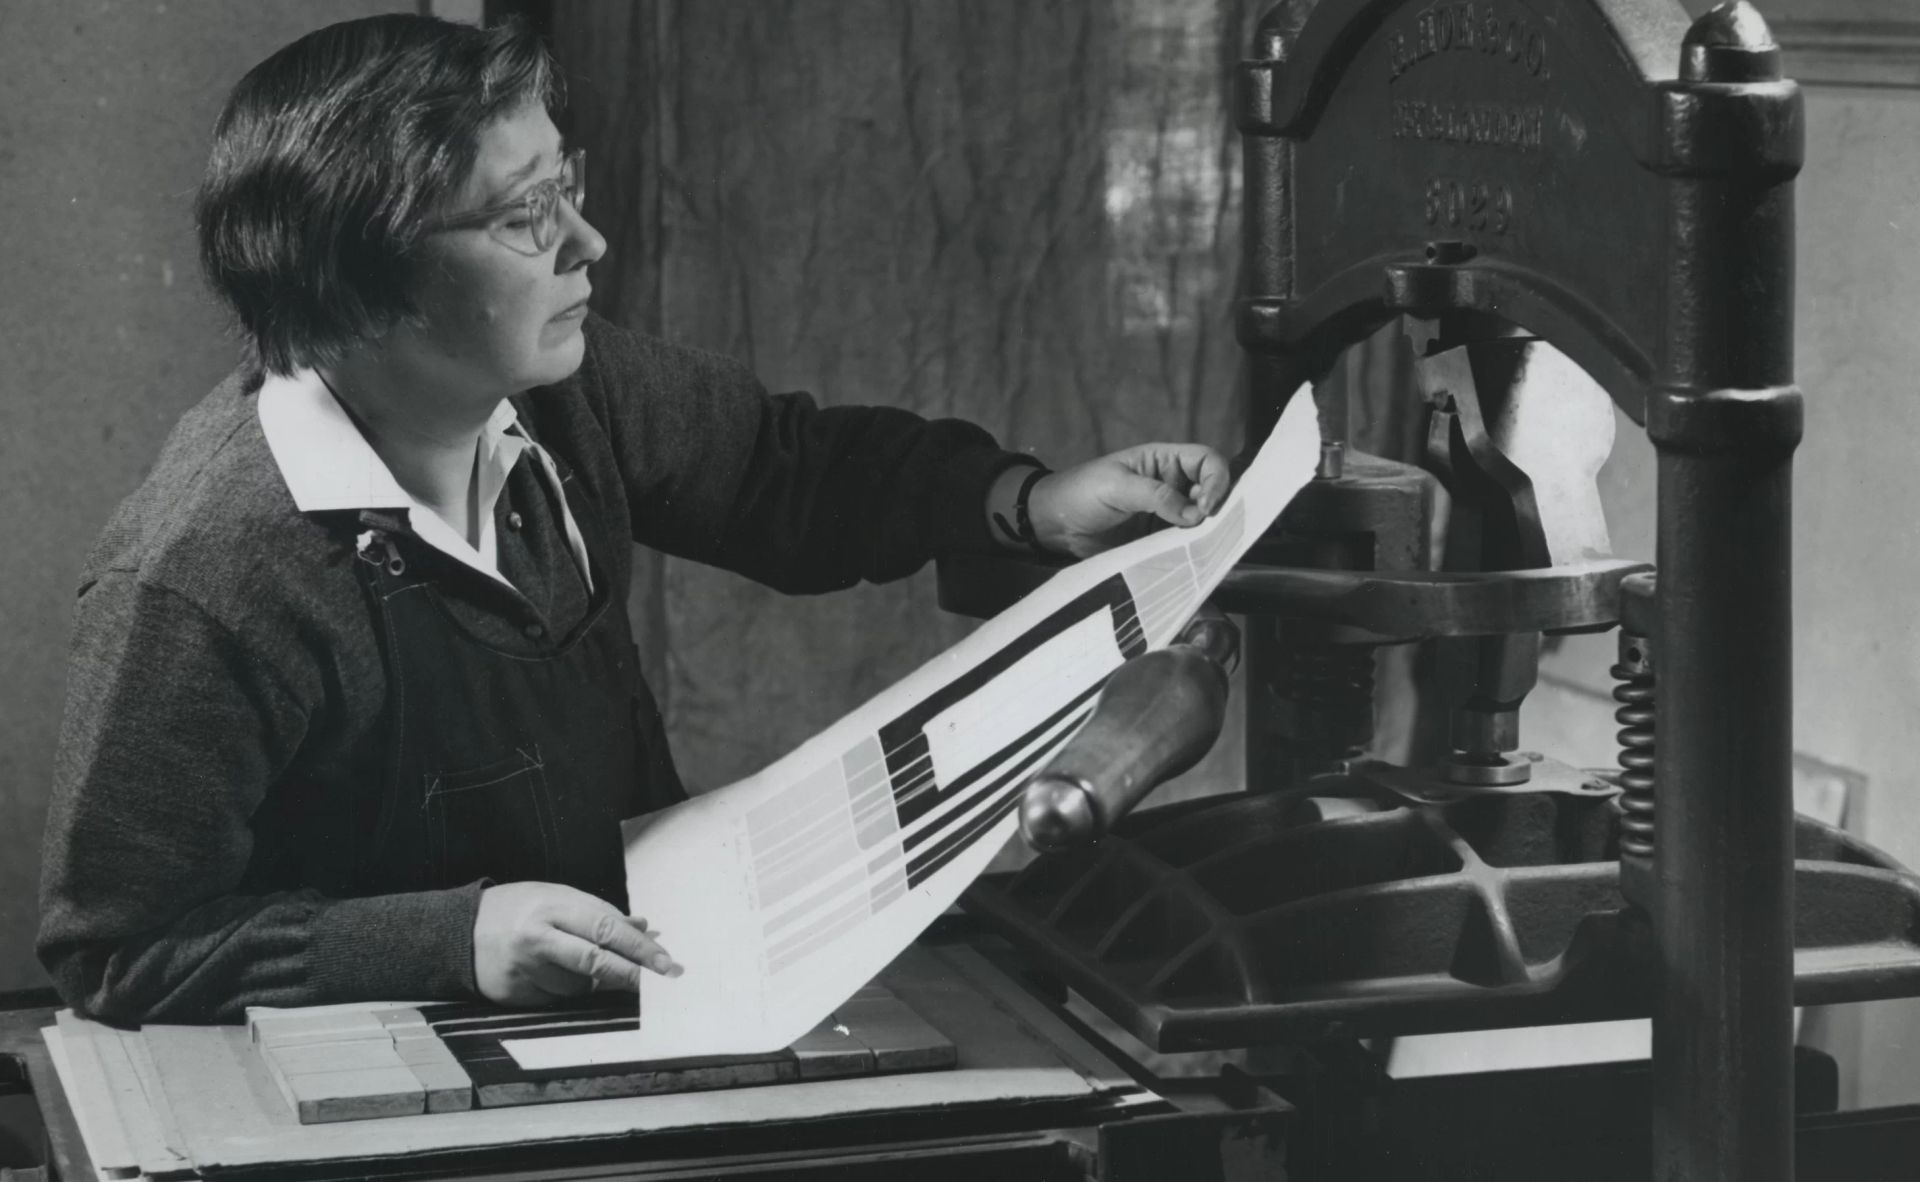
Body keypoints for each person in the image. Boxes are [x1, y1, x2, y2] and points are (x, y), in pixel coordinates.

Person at [36, 14, 1231, 1025]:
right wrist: (449, 943)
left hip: (649, 989)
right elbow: (117, 952)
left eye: (570, 186)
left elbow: (783, 472)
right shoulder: (205, 576)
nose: (588, 242)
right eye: (524, 216)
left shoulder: (563, 389)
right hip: (409, 1071)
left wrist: (1024, 504)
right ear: (361, 286)